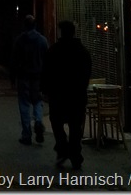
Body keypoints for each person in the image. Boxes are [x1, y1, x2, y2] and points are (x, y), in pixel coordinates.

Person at [41, 20, 92, 169]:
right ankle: (75, 154)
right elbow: (86, 74)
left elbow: (47, 72)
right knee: (76, 127)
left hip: (58, 96)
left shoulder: (54, 51)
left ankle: (63, 148)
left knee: (57, 123)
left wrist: (46, 90)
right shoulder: (82, 52)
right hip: (77, 97)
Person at [11, 14, 49, 145]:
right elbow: (46, 61)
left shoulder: (19, 40)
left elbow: (14, 60)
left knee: (24, 104)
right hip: (37, 77)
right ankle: (38, 120)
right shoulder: (42, 40)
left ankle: (26, 134)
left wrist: (13, 78)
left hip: (23, 76)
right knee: (37, 101)